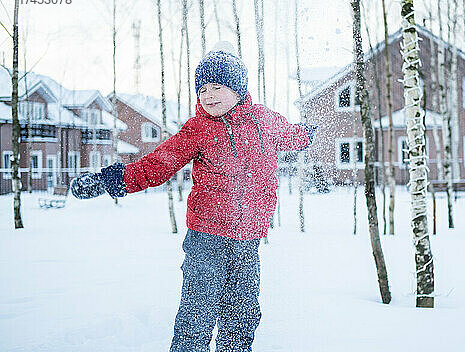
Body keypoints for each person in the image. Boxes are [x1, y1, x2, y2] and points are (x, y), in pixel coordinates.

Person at [70, 42, 317, 351]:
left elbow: (292, 136)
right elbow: (158, 163)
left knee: (242, 314)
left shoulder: (263, 120)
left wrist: (309, 131)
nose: (208, 95)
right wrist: (110, 180)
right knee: (196, 315)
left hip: (248, 240)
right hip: (206, 239)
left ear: (238, 88)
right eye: (202, 90)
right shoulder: (198, 129)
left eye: (216, 86)